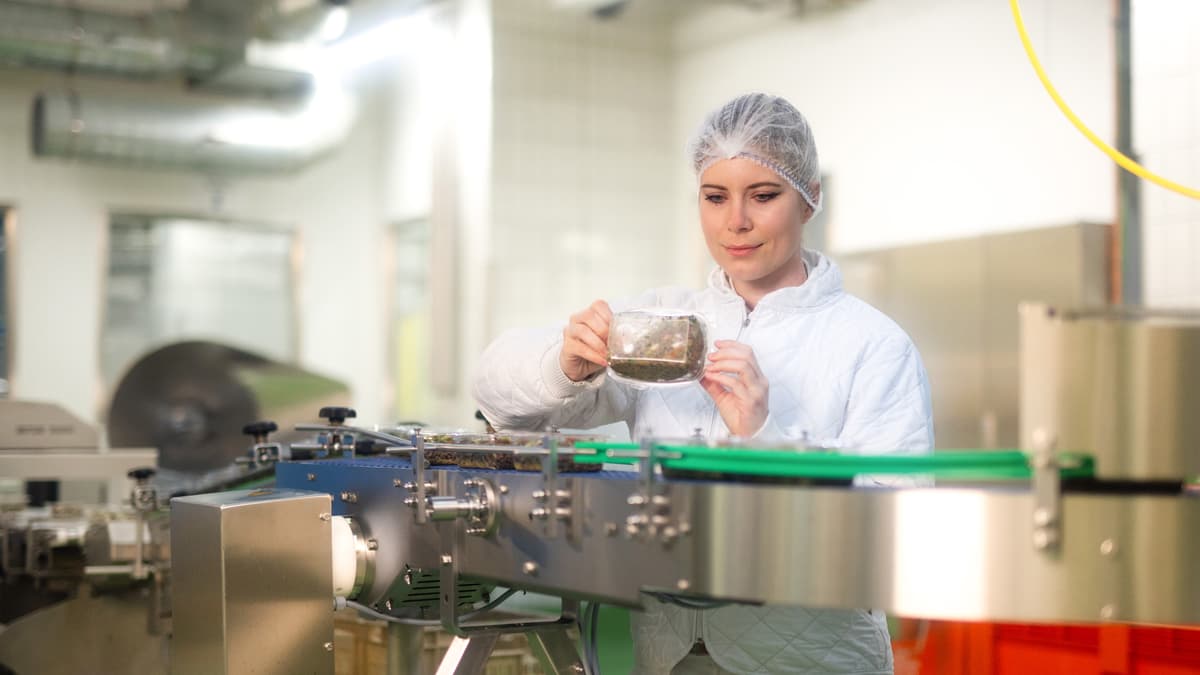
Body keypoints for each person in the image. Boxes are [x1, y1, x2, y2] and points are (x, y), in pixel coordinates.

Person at [473, 92, 933, 675]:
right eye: (715, 198)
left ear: (810, 198)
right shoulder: (664, 324)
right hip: (669, 653)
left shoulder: (870, 343)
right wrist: (564, 364)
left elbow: (897, 534)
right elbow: (495, 394)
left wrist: (765, 436)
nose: (735, 221)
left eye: (763, 196)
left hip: (809, 658)